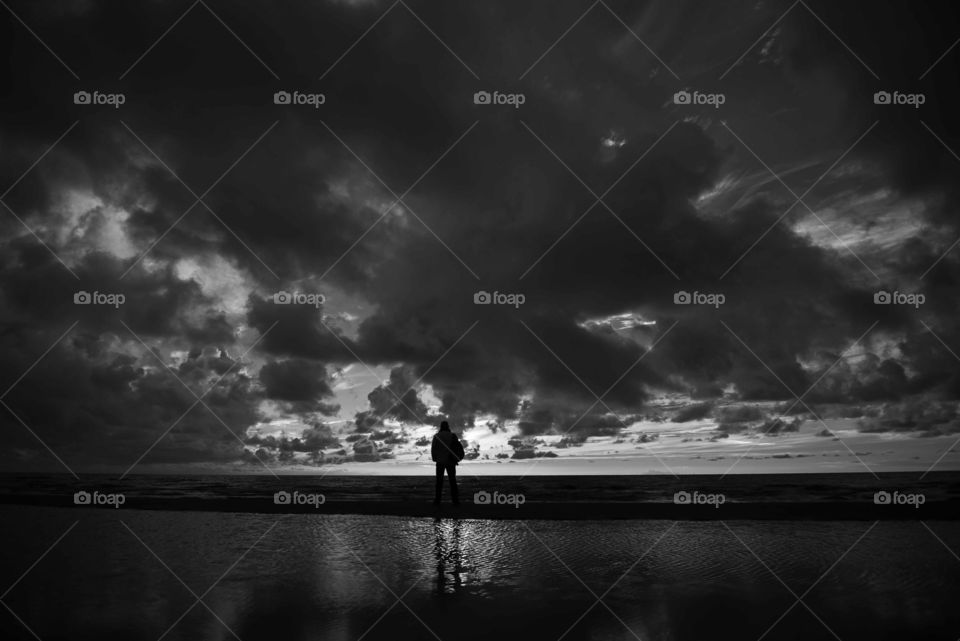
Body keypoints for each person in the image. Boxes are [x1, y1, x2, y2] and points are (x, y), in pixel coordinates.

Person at [431, 420, 464, 504]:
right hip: (451, 461)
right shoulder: (452, 436)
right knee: (452, 481)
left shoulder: (437, 436)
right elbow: (457, 447)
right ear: (448, 426)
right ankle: (455, 501)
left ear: (441, 427)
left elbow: (433, 449)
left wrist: (435, 458)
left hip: (440, 461)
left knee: (439, 482)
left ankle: (438, 500)